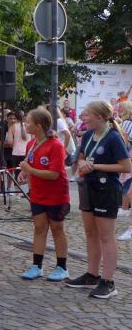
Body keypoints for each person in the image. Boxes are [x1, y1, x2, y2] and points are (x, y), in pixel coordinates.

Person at [64, 100, 131, 298]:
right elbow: (81, 158)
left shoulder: (113, 137)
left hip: (106, 189)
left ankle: (109, 282)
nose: (83, 118)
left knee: (106, 236)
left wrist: (96, 166)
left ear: (99, 117)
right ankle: (92, 275)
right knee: (90, 233)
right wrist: (82, 163)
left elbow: (126, 167)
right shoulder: (87, 135)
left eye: (87, 114)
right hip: (88, 186)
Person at [16, 108, 70, 281]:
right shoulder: (31, 144)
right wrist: (24, 173)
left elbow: (54, 174)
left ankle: (62, 267)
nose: (25, 124)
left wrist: (30, 170)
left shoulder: (56, 145)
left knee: (57, 229)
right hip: (38, 194)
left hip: (56, 195)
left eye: (28, 122)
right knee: (39, 228)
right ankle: (36, 266)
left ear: (38, 126)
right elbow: (29, 167)